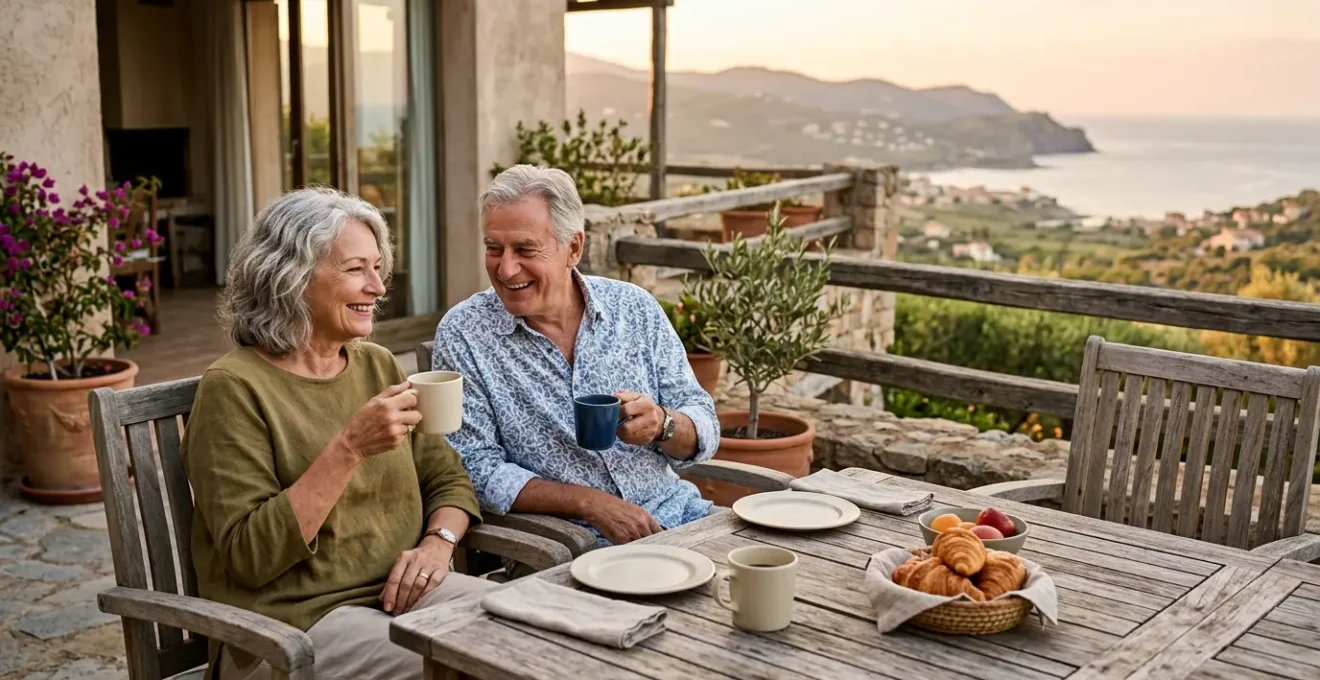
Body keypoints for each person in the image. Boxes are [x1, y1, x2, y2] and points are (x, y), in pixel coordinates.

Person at [181, 187, 490, 680]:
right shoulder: (233, 389)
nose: (377, 287)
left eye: (377, 268)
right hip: (291, 626)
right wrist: (348, 448)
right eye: (355, 269)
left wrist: (438, 543)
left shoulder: (378, 364)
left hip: (403, 593)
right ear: (291, 279)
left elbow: (447, 479)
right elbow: (249, 556)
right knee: (468, 666)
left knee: (527, 630)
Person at [433, 164, 720, 548]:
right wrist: (588, 504)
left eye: (525, 249)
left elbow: (703, 421)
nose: (505, 268)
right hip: (575, 546)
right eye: (493, 248)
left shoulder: (634, 308)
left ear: (573, 248)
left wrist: (663, 424)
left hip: (684, 519)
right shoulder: (465, 334)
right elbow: (474, 469)